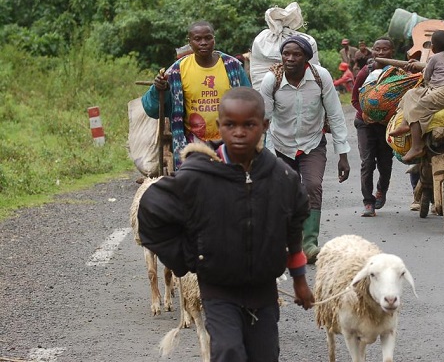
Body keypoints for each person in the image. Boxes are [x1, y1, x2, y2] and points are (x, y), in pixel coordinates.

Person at [137, 87, 315, 362]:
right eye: (230, 125)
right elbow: (152, 209)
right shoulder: (200, 175)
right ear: (219, 126)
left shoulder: (282, 177)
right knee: (229, 352)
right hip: (218, 288)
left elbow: (293, 228)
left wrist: (300, 281)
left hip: (263, 290)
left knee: (266, 356)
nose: (240, 132)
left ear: (264, 126)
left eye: (249, 125)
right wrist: (187, 257)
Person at [260, 35, 351, 263]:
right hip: (280, 144)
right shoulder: (271, 80)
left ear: (307, 59)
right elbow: (264, 121)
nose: (290, 59)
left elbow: (336, 115)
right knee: (281, 191)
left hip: (312, 143)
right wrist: (266, 156)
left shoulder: (321, 77)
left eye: (296, 54)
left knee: (312, 185)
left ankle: (309, 244)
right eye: (286, 54)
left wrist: (343, 154)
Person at [141, 20, 251, 171]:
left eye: (208, 38)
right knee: (197, 187)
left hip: (229, 141)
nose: (203, 43)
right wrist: (159, 89)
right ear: (190, 42)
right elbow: (151, 108)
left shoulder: (231, 67)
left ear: (214, 39)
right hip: (193, 143)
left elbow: (249, 102)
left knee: (229, 185)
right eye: (197, 39)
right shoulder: (177, 70)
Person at [389, 30, 444, 163]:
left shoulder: (434, 58)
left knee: (417, 108)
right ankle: (405, 123)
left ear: (432, 47)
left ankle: (417, 146)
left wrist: (419, 68)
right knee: (411, 93)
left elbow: (426, 76)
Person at [351, 37, 397, 217]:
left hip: (386, 125)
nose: (381, 53)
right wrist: (365, 114)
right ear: (372, 51)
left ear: (392, 52)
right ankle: (368, 202)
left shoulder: (396, 73)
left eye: (385, 49)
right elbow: (354, 99)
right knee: (367, 162)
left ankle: (381, 191)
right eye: (377, 49)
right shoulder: (366, 72)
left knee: (385, 163)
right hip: (365, 124)